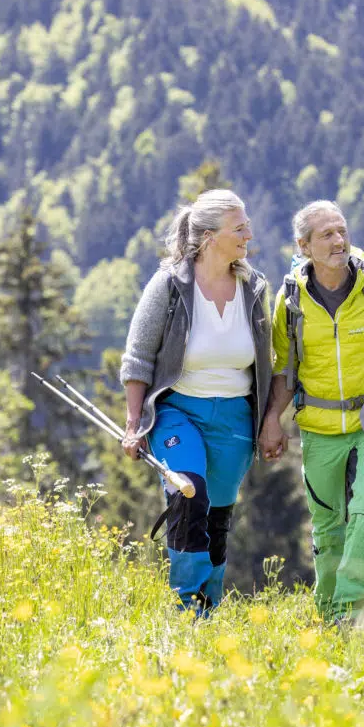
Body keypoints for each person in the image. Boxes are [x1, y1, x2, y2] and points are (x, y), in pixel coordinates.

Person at [258, 200, 364, 624]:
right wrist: (272, 422)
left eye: (342, 231)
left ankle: (351, 614)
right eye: (326, 235)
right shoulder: (291, 300)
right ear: (303, 246)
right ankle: (328, 613)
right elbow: (284, 368)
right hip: (318, 427)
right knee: (327, 524)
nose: (339, 241)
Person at [119, 190, 272, 612]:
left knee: (216, 519)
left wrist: (272, 421)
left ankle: (209, 608)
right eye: (238, 227)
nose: (248, 234)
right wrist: (134, 424)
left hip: (235, 419)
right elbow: (137, 358)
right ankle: (187, 606)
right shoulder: (169, 285)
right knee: (189, 496)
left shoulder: (254, 287)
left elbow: (269, 362)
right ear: (208, 236)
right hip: (177, 411)